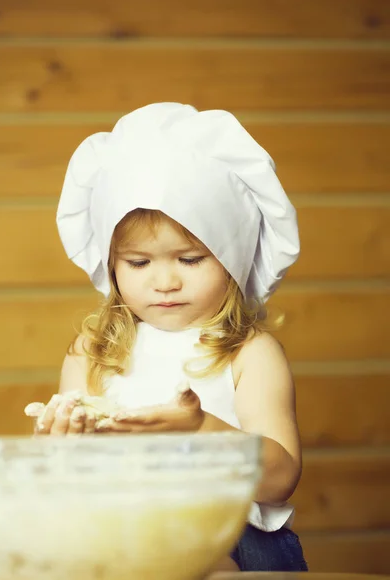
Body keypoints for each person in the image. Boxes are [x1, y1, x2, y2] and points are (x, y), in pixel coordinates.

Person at [26, 102, 308, 571]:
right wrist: (56, 452)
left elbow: (280, 479)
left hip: (236, 539)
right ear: (112, 265)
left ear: (232, 256)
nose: (165, 282)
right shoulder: (92, 354)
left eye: (190, 259)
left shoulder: (249, 354)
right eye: (139, 263)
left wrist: (200, 431)